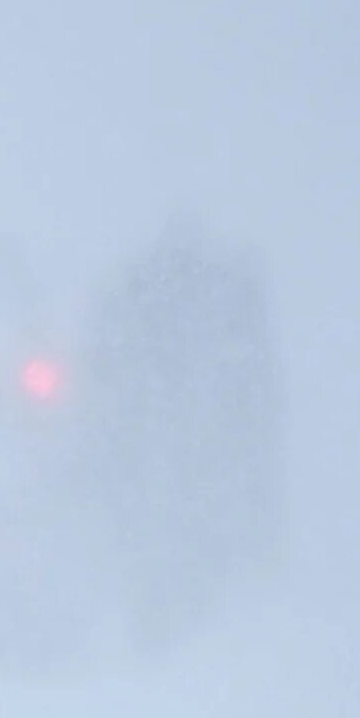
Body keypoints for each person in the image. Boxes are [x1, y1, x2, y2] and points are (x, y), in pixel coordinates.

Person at [80, 221, 285, 653]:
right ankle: (179, 624)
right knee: (176, 524)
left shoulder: (140, 300)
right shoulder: (220, 311)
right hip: (180, 445)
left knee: (157, 526)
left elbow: (104, 358)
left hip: (159, 443)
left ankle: (167, 624)